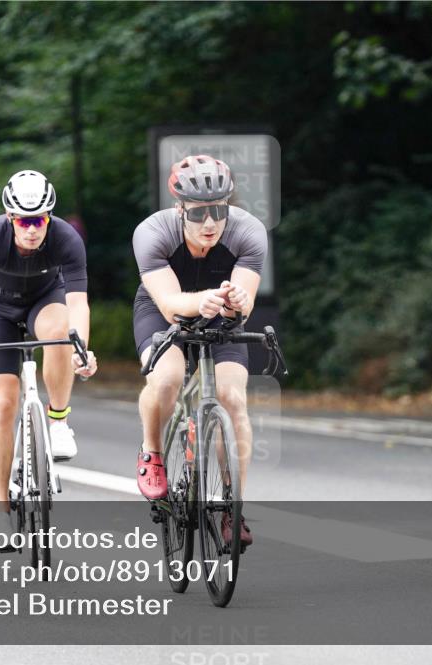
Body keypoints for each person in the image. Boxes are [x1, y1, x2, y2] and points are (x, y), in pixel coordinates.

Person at [132, 155, 267, 549]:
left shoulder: (248, 231)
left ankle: (231, 507)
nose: (210, 223)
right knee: (168, 378)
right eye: (199, 214)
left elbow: (243, 305)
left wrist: (236, 302)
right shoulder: (152, 233)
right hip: (162, 312)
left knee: (233, 398)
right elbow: (171, 304)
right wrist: (204, 300)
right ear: (180, 209)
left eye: (219, 210)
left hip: (218, 319)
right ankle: (153, 452)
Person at [0, 170, 97, 526]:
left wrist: (82, 348)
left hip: (44, 301)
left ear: (49, 216)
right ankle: (0, 511)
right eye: (25, 220)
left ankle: (58, 421)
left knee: (59, 332)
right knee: (2, 402)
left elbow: (79, 303)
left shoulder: (66, 239)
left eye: (40, 219)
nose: (33, 228)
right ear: (11, 217)